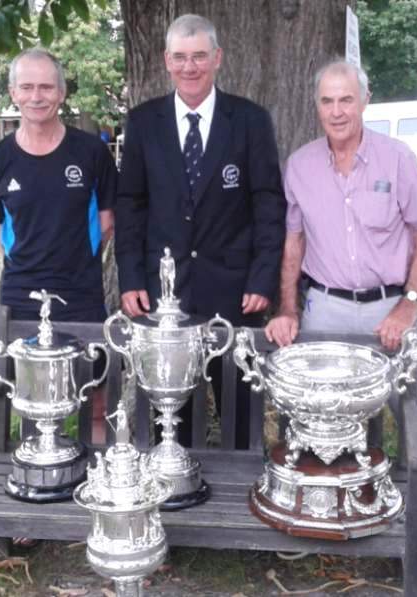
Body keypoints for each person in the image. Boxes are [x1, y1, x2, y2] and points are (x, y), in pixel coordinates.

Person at [265, 59, 417, 573]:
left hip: (388, 311)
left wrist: (408, 304)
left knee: (415, 409)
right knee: (315, 413)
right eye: (327, 101)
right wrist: (288, 307)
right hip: (326, 309)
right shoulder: (300, 165)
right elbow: (293, 241)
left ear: (365, 100)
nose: (337, 111)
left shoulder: (396, 159)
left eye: (346, 99)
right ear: (317, 106)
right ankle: (314, 511)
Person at [115, 14, 286, 449]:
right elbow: (130, 205)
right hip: (165, 297)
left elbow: (268, 205)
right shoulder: (143, 122)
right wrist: (131, 277)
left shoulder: (250, 120)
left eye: (199, 56)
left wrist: (263, 278)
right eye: (180, 57)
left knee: (241, 415)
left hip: (235, 292)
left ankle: (241, 484)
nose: (189, 67)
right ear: (166, 61)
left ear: (217, 58)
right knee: (172, 417)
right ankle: (174, 481)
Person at [0, 49, 116, 471]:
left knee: (95, 392)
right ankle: (36, 472)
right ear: (13, 93)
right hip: (22, 296)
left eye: (46, 87)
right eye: (28, 87)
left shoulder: (92, 153)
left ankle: (95, 473)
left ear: (62, 92)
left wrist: (73, 260)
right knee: (30, 398)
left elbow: (107, 222)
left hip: (82, 292)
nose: (37, 96)